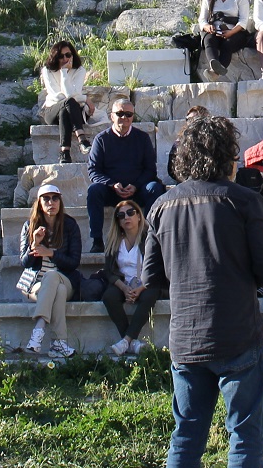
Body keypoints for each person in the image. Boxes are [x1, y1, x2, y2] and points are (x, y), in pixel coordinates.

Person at [141, 111, 263, 468]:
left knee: (185, 437)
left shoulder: (162, 206)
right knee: (244, 436)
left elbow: (152, 277)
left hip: (186, 338)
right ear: (229, 157)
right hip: (236, 334)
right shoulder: (244, 201)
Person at [85, 97, 163, 252]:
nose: (124, 118)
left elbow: (150, 170)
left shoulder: (142, 138)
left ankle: (150, 236)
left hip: (137, 189)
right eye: (120, 113)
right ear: (111, 116)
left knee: (155, 188)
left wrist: (136, 185)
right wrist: (111, 184)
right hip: (112, 191)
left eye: (128, 114)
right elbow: (93, 170)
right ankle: (97, 240)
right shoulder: (101, 140)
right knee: (93, 191)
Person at [19, 183, 81, 358]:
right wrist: (35, 245)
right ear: (39, 202)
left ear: (60, 202)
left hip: (65, 279)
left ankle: (38, 330)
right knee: (57, 291)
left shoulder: (70, 225)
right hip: (36, 283)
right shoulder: (29, 226)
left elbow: (74, 262)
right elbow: (25, 263)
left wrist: (51, 253)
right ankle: (59, 344)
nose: (51, 202)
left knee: (54, 277)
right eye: (46, 199)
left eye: (55, 198)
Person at [100, 195, 158, 357]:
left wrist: (141, 288)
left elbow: (158, 267)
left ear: (139, 216)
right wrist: (124, 288)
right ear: (118, 221)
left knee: (151, 294)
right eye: (121, 215)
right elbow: (109, 271)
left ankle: (126, 340)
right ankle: (131, 342)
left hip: (146, 283)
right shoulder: (114, 241)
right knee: (109, 296)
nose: (126, 217)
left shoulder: (150, 238)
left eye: (130, 213)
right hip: (123, 284)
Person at [40, 39, 90, 163]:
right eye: (61, 56)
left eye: (68, 55)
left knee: (65, 110)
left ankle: (65, 153)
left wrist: (65, 73)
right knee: (67, 102)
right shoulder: (47, 70)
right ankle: (82, 139)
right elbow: (57, 96)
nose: (65, 59)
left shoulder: (79, 70)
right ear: (55, 57)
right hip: (52, 111)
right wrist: (84, 98)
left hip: (71, 111)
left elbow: (72, 94)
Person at [198, 0, 253, 75]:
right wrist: (207, 27)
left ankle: (215, 72)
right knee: (208, 40)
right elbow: (202, 19)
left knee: (228, 44)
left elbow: (243, 20)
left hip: (235, 31)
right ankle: (214, 63)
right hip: (215, 31)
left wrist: (231, 32)